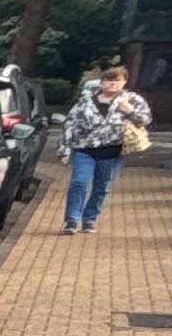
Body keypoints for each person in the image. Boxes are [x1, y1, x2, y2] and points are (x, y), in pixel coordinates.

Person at [60, 66, 152, 234]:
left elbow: (145, 119)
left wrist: (129, 112)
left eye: (117, 80)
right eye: (108, 80)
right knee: (79, 183)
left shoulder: (132, 100)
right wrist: (64, 149)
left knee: (101, 187)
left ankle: (89, 219)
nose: (112, 84)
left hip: (111, 150)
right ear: (101, 83)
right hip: (84, 148)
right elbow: (70, 124)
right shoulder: (85, 101)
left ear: (124, 82)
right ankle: (72, 221)